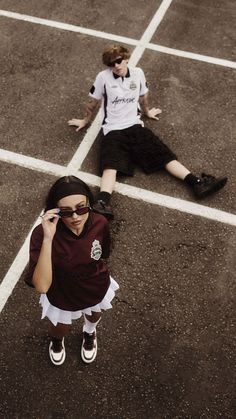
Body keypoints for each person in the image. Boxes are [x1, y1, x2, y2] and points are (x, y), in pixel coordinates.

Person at [68, 44, 227, 220]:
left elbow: (143, 97)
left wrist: (147, 112)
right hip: (112, 129)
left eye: (119, 61)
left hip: (135, 125)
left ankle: (197, 183)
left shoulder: (138, 73)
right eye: (111, 64)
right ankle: (102, 202)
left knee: (164, 155)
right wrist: (84, 120)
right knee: (110, 165)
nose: (116, 66)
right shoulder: (103, 78)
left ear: (126, 58)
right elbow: (92, 102)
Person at [25, 175, 119, 366]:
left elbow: (103, 254)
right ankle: (57, 341)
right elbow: (42, 285)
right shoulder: (42, 234)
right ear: (55, 210)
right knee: (60, 327)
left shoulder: (100, 222)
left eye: (81, 208)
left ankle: (89, 331)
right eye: (66, 212)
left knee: (94, 314)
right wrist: (48, 239)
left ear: (89, 204)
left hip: (93, 283)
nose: (76, 217)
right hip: (62, 290)